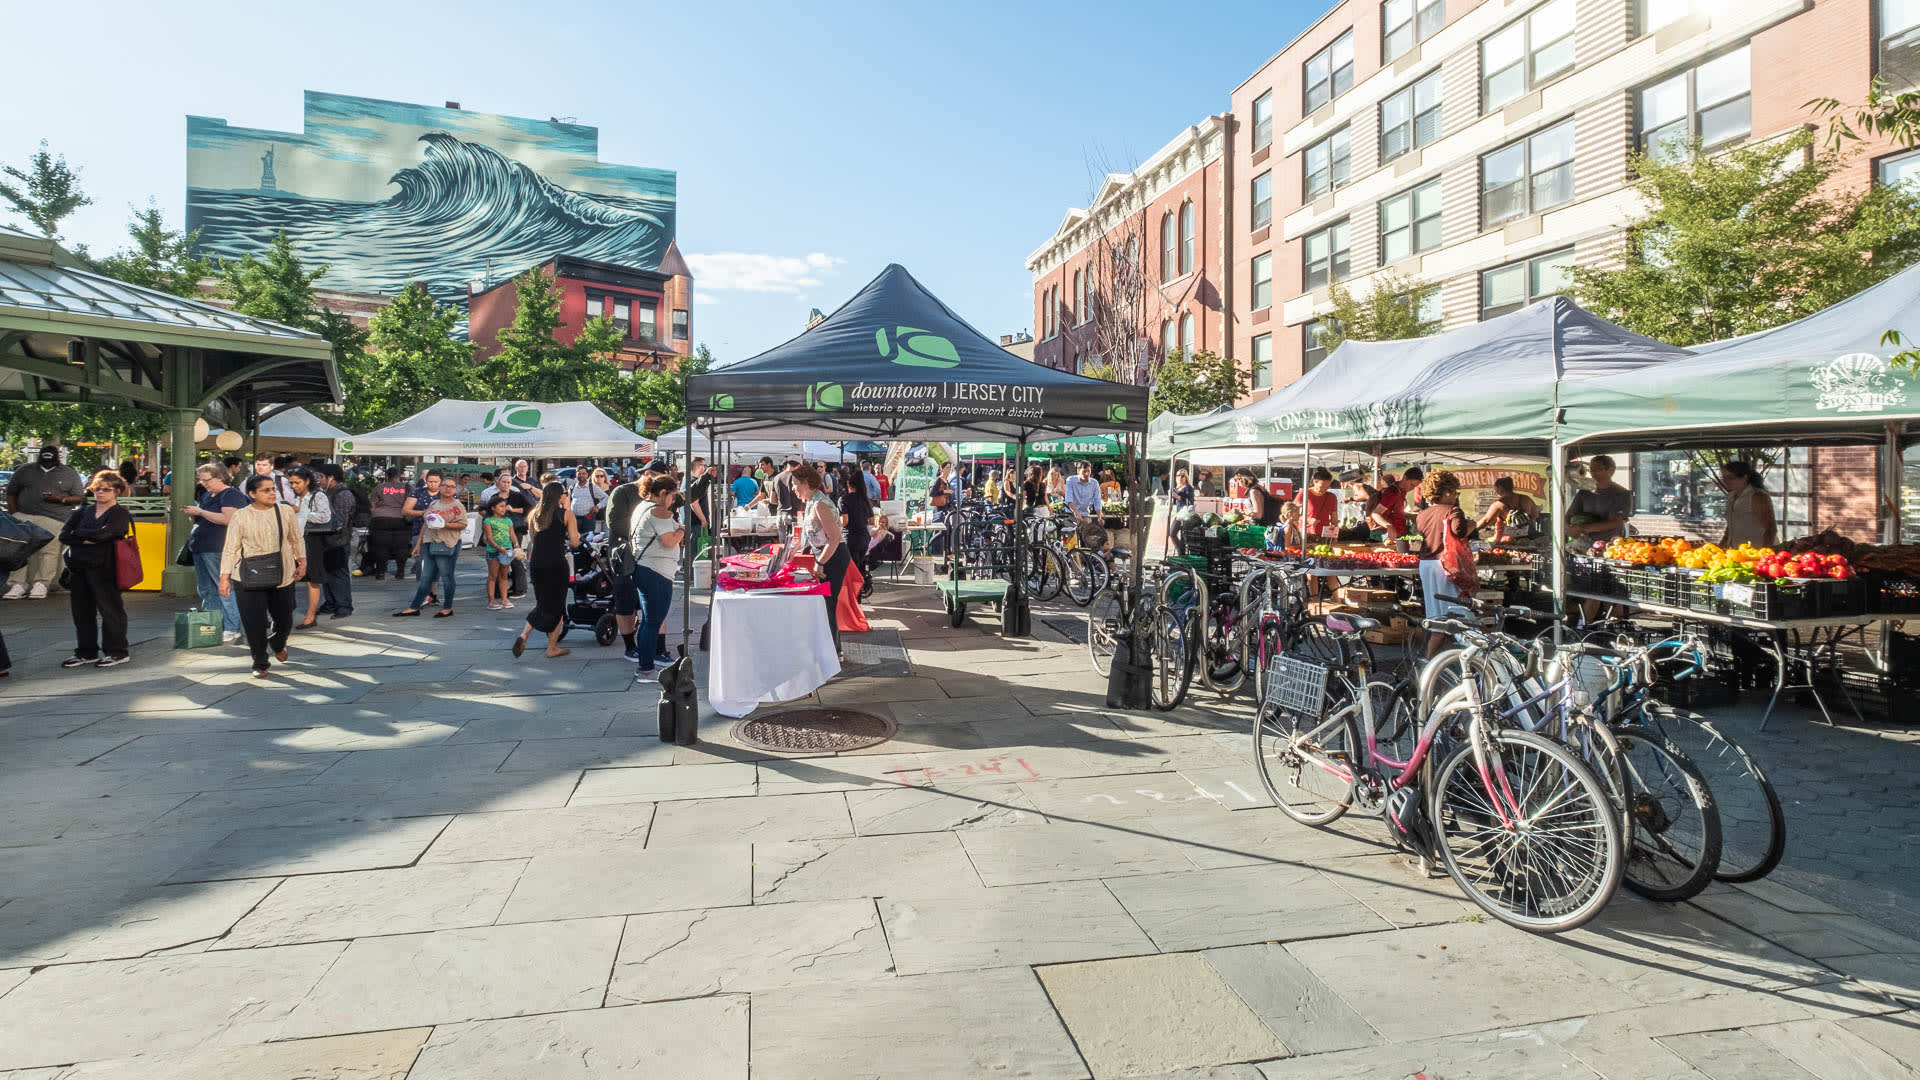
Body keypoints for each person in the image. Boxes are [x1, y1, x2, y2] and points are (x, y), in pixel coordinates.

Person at [219, 474, 306, 677]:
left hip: (282, 573)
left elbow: (296, 539)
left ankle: (277, 642)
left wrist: (302, 561)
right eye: (265, 490)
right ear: (252, 494)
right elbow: (230, 547)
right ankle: (260, 662)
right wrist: (224, 577)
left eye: (273, 489)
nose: (272, 493)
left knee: (285, 618)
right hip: (248, 576)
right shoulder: (241, 516)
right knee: (253, 621)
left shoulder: (285, 512)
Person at [59, 470, 135, 668]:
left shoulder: (120, 513)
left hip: (105, 568)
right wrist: (91, 536)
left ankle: (117, 651)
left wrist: (82, 536)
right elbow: (64, 535)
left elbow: (109, 534)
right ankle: (86, 651)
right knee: (81, 612)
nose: (100, 493)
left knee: (110, 610)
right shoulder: (83, 511)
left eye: (106, 489)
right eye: (96, 489)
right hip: (78, 567)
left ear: (117, 491)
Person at [5, 444, 86, 599]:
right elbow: (11, 492)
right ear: (39, 456)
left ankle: (42, 583)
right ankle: (17, 584)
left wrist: (59, 499)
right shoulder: (25, 470)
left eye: (50, 457)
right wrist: (14, 514)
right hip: (24, 516)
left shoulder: (69, 472)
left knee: (48, 551)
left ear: (57, 458)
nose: (47, 460)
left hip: (55, 518)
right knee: (19, 550)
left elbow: (79, 497)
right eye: (44, 457)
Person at [513, 481, 579, 660]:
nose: (566, 495)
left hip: (537, 563)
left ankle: (524, 634)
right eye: (564, 493)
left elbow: (533, 540)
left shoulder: (534, 514)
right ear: (559, 496)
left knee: (542, 602)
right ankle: (552, 648)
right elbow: (574, 542)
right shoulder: (566, 514)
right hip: (556, 563)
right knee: (557, 606)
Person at [627, 474, 684, 679]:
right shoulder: (658, 511)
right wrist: (682, 531)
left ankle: (646, 663)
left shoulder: (641, 507)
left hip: (645, 569)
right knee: (653, 621)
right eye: (672, 496)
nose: (673, 501)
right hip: (656, 571)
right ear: (662, 493)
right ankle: (645, 666)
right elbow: (669, 541)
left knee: (648, 620)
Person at [183, 463, 247, 645]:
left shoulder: (231, 494)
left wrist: (200, 511)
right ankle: (213, 626)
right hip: (201, 546)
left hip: (217, 547)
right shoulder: (207, 495)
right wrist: (195, 514)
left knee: (223, 587)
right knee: (206, 589)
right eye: (201, 480)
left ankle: (232, 628)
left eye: (207, 480)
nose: (203, 483)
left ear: (220, 477)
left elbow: (229, 519)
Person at [791, 464, 851, 657]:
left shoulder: (819, 504)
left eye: (795, 484)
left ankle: (833, 652)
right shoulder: (810, 502)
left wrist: (820, 562)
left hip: (833, 556)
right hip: (826, 554)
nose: (793, 488)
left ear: (806, 483)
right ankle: (832, 649)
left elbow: (834, 537)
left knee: (827, 603)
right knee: (825, 603)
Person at [1415, 470, 1475, 659]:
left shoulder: (1422, 515)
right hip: (1446, 566)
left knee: (1436, 618)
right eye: (1455, 492)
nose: (1457, 496)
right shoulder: (1453, 511)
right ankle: (1472, 660)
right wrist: (1472, 525)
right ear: (1446, 492)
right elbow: (1459, 530)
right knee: (1458, 616)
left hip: (1426, 565)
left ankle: (1430, 661)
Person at [396, 478, 466, 618]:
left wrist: (444, 524)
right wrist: (418, 544)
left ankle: (447, 608)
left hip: (446, 543)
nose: (448, 488)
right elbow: (425, 524)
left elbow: (463, 525)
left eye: (452, 486)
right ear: (440, 488)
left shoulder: (457, 505)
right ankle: (414, 607)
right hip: (429, 542)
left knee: (447, 576)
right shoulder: (434, 503)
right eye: (445, 486)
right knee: (425, 577)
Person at [287, 468, 331, 628]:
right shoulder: (293, 496)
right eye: (291, 482)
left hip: (311, 540)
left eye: (297, 482)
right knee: (288, 575)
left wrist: (303, 512)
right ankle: (286, 611)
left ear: (307, 481)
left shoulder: (318, 496)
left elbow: (325, 516)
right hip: (292, 540)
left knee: (312, 578)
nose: (294, 486)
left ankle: (311, 616)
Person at [315, 465, 356, 618]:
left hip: (338, 540)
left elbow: (340, 521)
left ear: (331, 477)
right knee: (327, 573)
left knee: (339, 573)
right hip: (327, 540)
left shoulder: (343, 494)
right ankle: (331, 603)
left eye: (321, 477)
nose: (319, 480)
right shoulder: (328, 493)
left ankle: (344, 605)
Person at [1567, 455, 1632, 543]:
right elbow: (1569, 514)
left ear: (1610, 471)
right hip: (1583, 543)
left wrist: (1583, 528)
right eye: (1591, 469)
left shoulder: (1621, 494)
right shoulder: (1584, 492)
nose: (1593, 472)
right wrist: (1568, 529)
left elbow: (1615, 522)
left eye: (1597, 469)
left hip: (1609, 544)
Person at [367, 467, 412, 580]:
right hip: (401, 519)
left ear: (387, 476)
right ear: (399, 475)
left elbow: (372, 506)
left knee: (381, 547)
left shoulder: (379, 487)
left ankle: (380, 573)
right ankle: (400, 572)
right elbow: (412, 503)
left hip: (381, 519)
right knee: (402, 547)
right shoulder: (407, 487)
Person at [1720, 461, 1777, 549]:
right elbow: (1732, 525)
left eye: (1731, 477)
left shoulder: (1757, 496)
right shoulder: (1731, 496)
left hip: (1756, 550)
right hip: (1737, 551)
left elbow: (1770, 529)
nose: (1726, 481)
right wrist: (1722, 544)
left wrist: (1765, 552)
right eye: (1724, 478)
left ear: (1744, 477)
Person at [1473, 476, 1542, 543]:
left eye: (1496, 489)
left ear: (1500, 489)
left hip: (1508, 540)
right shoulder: (1526, 499)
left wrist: (1472, 529)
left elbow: (1486, 521)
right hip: (1527, 539)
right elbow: (1535, 515)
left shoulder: (1498, 504)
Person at [479, 496, 518, 610]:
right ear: (493, 508)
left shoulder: (508, 520)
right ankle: (491, 600)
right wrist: (498, 547)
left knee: (504, 576)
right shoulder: (488, 520)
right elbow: (489, 538)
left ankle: (504, 599)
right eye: (501, 506)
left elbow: (512, 534)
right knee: (492, 576)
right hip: (493, 551)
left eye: (505, 506)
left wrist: (516, 544)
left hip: (507, 550)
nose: (504, 508)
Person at [837, 461, 872, 587]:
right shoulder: (865, 499)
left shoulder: (843, 499)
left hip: (850, 538)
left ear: (848, 483)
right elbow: (871, 520)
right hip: (864, 537)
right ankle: (858, 597)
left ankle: (852, 598)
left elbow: (844, 521)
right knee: (860, 569)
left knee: (850, 571)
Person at [1366, 468, 1422, 539]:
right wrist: (1388, 526)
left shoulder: (1402, 491)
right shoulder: (1392, 492)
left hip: (1398, 534)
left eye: (1414, 486)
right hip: (1387, 535)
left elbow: (1395, 511)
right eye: (1411, 484)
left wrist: (1412, 515)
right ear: (1405, 477)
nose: (1412, 488)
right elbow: (1375, 513)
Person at [926, 461, 955, 570]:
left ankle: (947, 554)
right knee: (943, 531)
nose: (948, 469)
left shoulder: (946, 480)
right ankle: (928, 545)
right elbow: (932, 493)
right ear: (941, 469)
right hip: (939, 509)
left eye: (949, 467)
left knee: (949, 530)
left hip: (946, 507)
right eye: (946, 467)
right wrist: (945, 492)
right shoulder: (938, 480)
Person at [1298, 467, 1340, 544]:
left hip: (1324, 535)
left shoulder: (1332, 497)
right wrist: (1307, 519)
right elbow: (1291, 514)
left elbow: (1334, 518)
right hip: (1306, 534)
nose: (1324, 489)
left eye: (1327, 487)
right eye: (1322, 486)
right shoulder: (1305, 493)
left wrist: (1335, 536)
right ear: (1315, 482)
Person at [570, 467, 612, 532]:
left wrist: (598, 506)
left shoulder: (592, 487)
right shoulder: (572, 487)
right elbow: (569, 502)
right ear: (576, 474)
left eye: (584, 473)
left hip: (588, 519)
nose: (581, 475)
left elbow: (606, 498)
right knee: (576, 539)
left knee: (588, 539)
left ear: (587, 475)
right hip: (575, 519)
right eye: (579, 473)